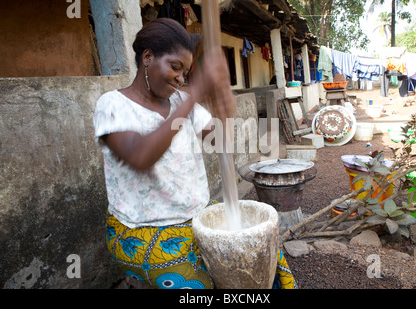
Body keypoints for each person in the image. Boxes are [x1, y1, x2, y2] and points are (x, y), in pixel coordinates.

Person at [94, 17, 297, 289]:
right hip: (141, 230)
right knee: (200, 289)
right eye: (175, 67)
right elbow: (141, 157)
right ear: (147, 57)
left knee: (264, 254)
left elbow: (220, 141)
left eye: (186, 72)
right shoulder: (113, 104)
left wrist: (220, 99)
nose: (180, 79)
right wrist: (196, 92)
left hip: (196, 216)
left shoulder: (180, 101)